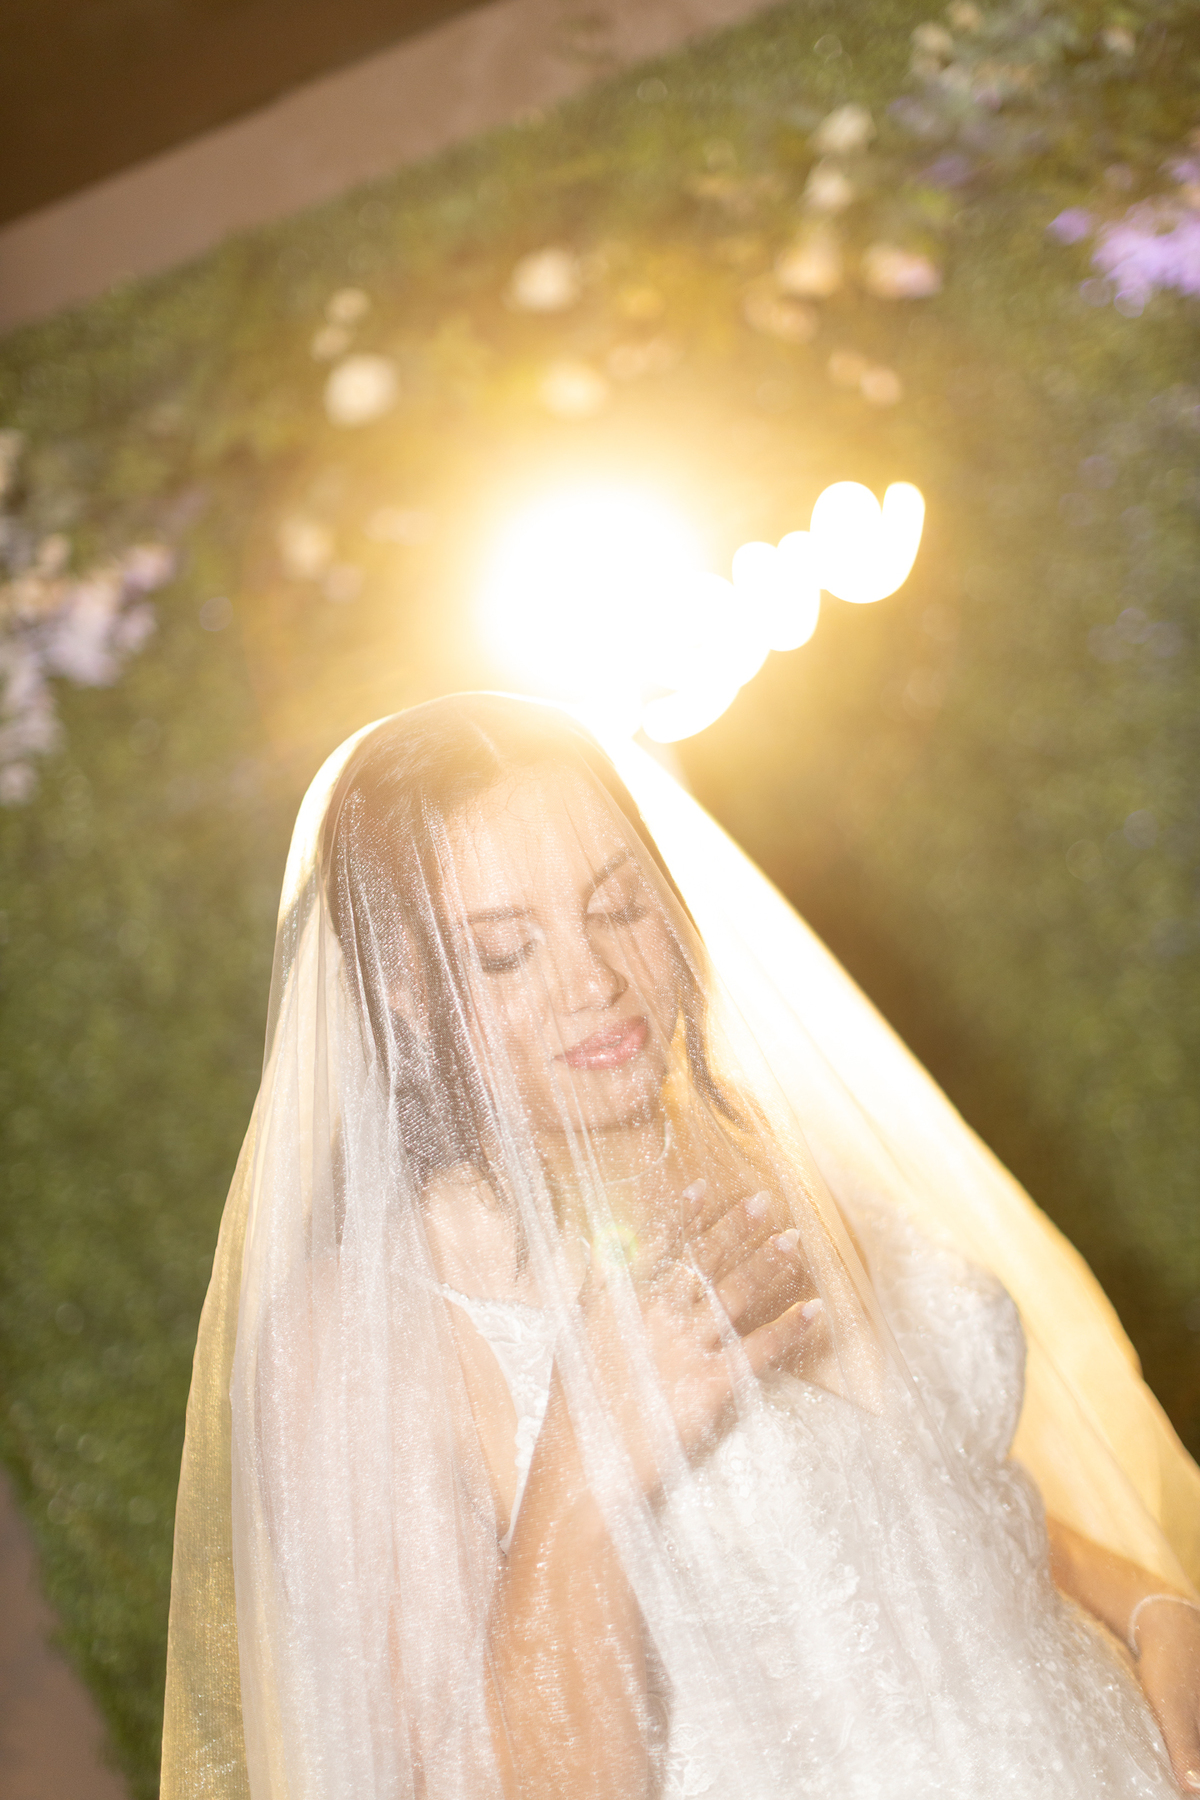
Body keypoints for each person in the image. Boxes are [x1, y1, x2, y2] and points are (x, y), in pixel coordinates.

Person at [162, 693, 1200, 1800]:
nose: (595, 980)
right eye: (507, 953)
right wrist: (583, 1462)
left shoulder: (774, 1144)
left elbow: (923, 1505)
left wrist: (1145, 1602)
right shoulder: (364, 1339)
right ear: (407, 992)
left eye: (619, 907)